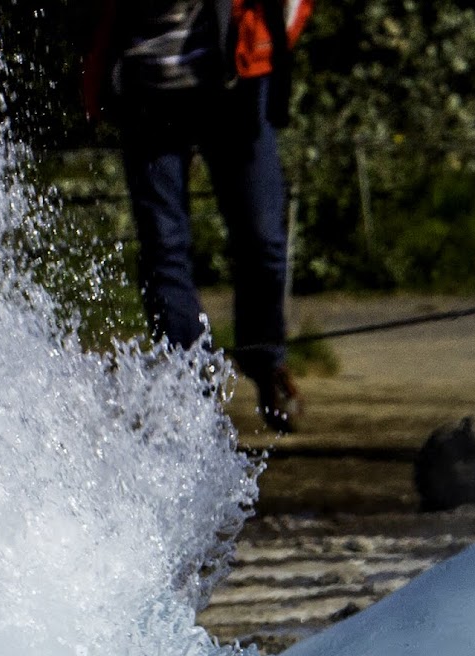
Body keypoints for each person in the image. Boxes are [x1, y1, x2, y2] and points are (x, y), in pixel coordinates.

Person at [86, 0, 312, 429]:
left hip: (234, 79)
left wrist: (274, 33)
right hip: (146, 85)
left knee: (263, 237)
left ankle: (265, 361)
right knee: (164, 248)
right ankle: (189, 384)